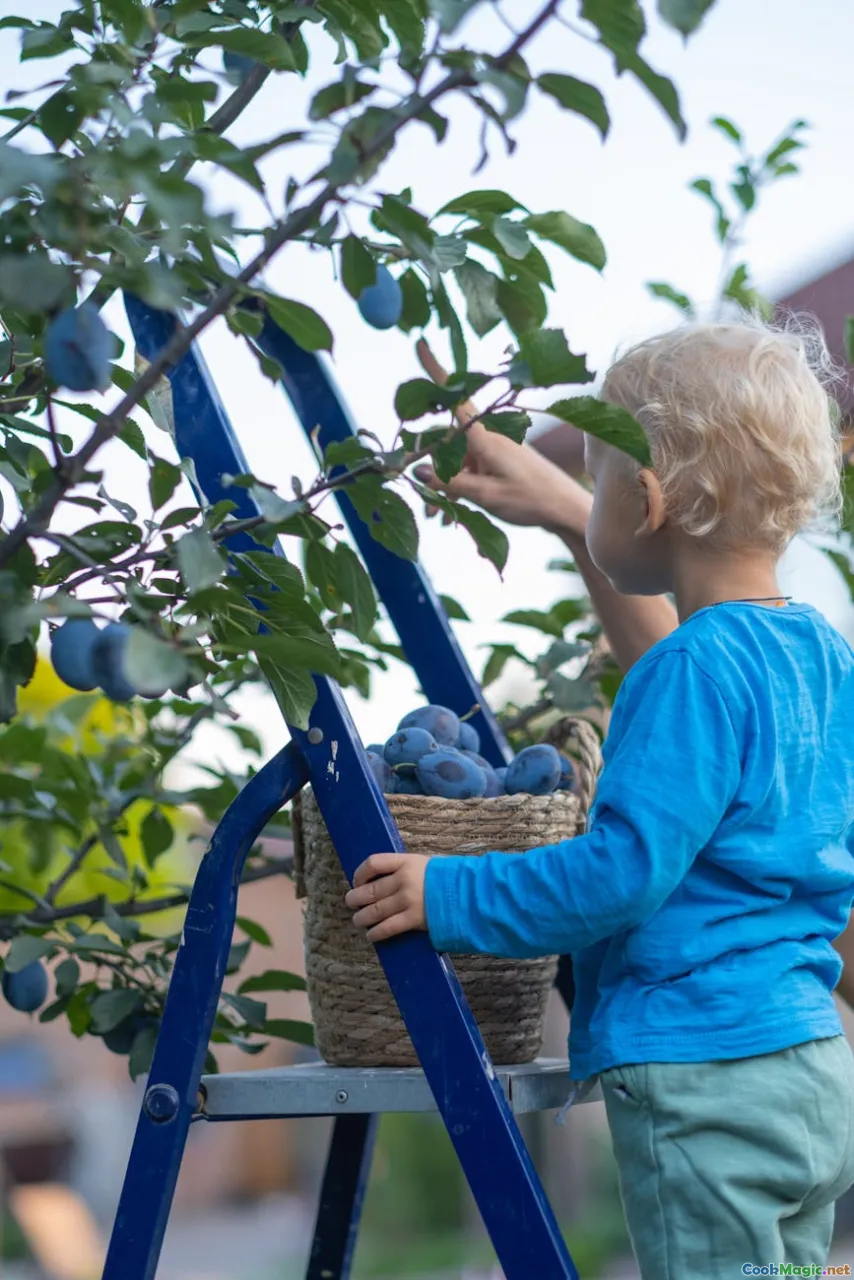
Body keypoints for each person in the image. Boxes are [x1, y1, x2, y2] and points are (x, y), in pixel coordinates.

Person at [346, 318, 854, 1277]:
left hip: (707, 1076)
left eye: (599, 479)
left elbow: (623, 872)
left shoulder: (687, 672)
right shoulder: (826, 658)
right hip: (808, 1063)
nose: (594, 508)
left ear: (650, 501)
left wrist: (448, 893)